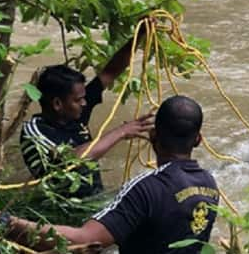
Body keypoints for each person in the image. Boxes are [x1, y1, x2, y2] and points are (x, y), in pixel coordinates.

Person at [0, 96, 219, 254]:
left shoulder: (146, 188)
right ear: (198, 139)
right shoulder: (209, 184)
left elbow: (81, 243)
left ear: (153, 134)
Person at [20, 40, 152, 198]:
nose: (84, 102)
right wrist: (121, 132)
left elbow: (110, 72)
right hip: (65, 208)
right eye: (78, 100)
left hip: (95, 196)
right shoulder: (35, 131)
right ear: (57, 104)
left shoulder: (74, 110)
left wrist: (139, 36)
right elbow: (72, 160)